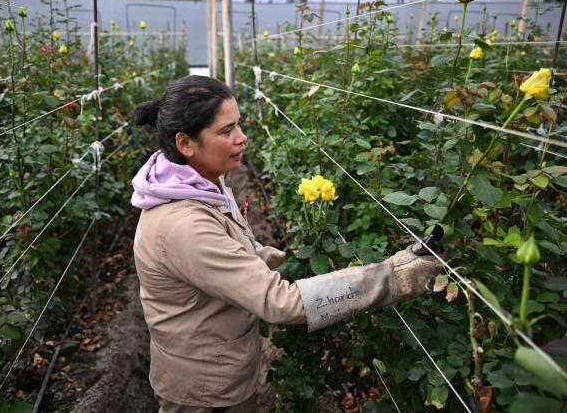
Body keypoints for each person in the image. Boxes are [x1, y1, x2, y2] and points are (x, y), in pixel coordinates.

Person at [131, 75, 443, 413]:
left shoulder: (195, 184)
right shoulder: (185, 224)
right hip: (206, 393)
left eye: (239, 125)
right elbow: (281, 303)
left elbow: (223, 247)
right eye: (226, 131)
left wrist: (274, 259)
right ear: (186, 143)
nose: (242, 137)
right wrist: (391, 277)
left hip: (206, 370)